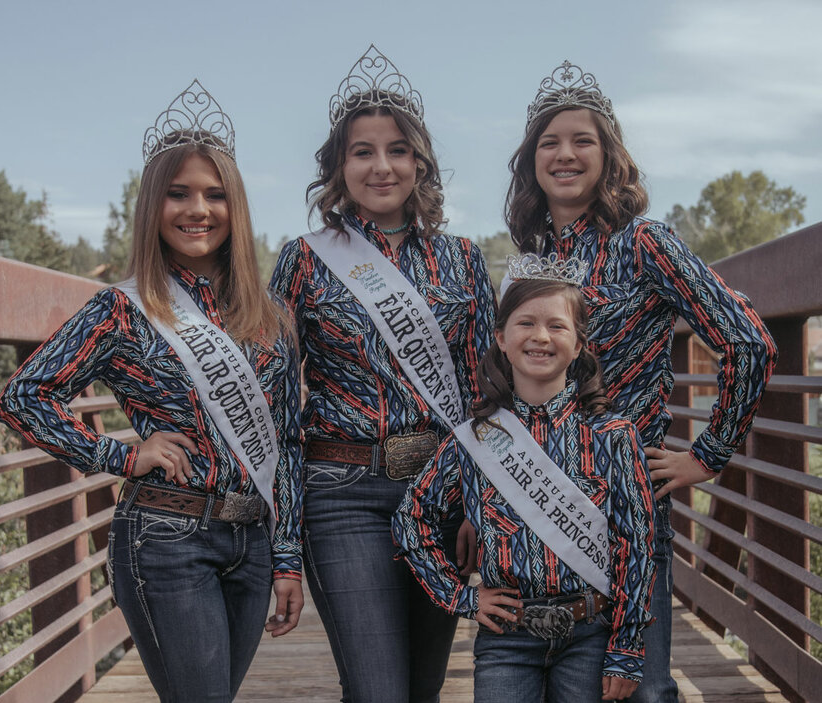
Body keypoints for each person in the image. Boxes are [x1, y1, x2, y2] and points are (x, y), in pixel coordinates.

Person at [0, 80, 304, 703]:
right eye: (178, 193)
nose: (198, 209)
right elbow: (23, 397)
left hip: (252, 545)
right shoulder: (123, 310)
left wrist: (288, 556)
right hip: (167, 539)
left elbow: (288, 441)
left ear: (236, 210)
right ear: (152, 206)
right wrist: (121, 455)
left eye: (216, 195)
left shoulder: (271, 315)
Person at [502, 60, 778, 701]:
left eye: (582, 140)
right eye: (549, 142)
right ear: (531, 162)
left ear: (609, 156)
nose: (565, 154)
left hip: (622, 499)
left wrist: (706, 456)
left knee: (643, 689)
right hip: (531, 499)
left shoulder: (645, 243)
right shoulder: (532, 259)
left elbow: (749, 343)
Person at [269, 45, 496, 703]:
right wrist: (284, 548)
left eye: (397, 149)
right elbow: (280, 413)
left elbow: (485, 397)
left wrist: (483, 504)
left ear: (419, 162)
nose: (381, 165)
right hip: (342, 492)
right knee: (376, 690)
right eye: (362, 151)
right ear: (339, 167)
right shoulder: (304, 261)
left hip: (440, 496)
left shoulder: (463, 260)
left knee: (420, 691)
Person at [393, 264, 656, 702]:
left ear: (578, 345)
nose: (541, 337)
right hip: (506, 638)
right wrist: (463, 599)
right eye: (526, 323)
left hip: (590, 633)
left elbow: (637, 543)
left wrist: (626, 646)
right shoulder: (475, 440)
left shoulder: (613, 435)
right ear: (500, 337)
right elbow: (411, 518)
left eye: (557, 325)